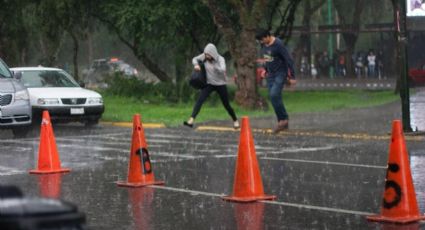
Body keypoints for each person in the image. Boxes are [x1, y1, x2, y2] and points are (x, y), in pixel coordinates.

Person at [183, 43, 239, 129]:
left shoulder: (220, 59)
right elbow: (194, 59)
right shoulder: (204, 56)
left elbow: (223, 69)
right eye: (205, 54)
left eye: (208, 55)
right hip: (209, 84)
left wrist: (216, 67)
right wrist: (196, 65)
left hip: (220, 84)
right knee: (200, 100)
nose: (206, 56)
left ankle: (235, 120)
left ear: (213, 54)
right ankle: (191, 120)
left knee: (226, 104)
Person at [255, 29, 296, 134]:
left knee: (274, 94)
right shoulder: (264, 45)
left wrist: (292, 76)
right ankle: (282, 122)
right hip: (270, 75)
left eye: (262, 40)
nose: (261, 42)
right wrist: (265, 70)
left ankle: (284, 119)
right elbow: (268, 59)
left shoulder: (278, 44)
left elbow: (288, 59)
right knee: (274, 97)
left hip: (281, 73)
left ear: (267, 36)